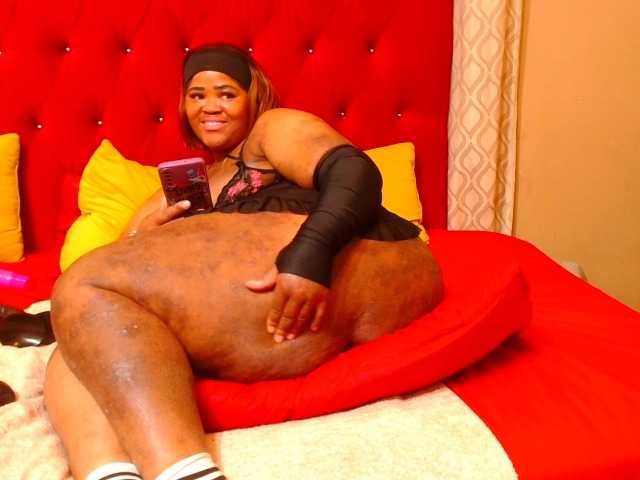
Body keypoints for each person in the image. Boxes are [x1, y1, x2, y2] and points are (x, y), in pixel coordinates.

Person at [44, 44, 443, 480]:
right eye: (197, 96)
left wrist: (309, 256)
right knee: (78, 338)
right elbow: (110, 286)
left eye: (227, 93)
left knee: (84, 287)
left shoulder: (272, 130)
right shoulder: (188, 186)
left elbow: (355, 175)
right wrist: (149, 233)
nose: (210, 106)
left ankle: (184, 470)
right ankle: (108, 473)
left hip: (351, 261)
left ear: (255, 98)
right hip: (263, 304)